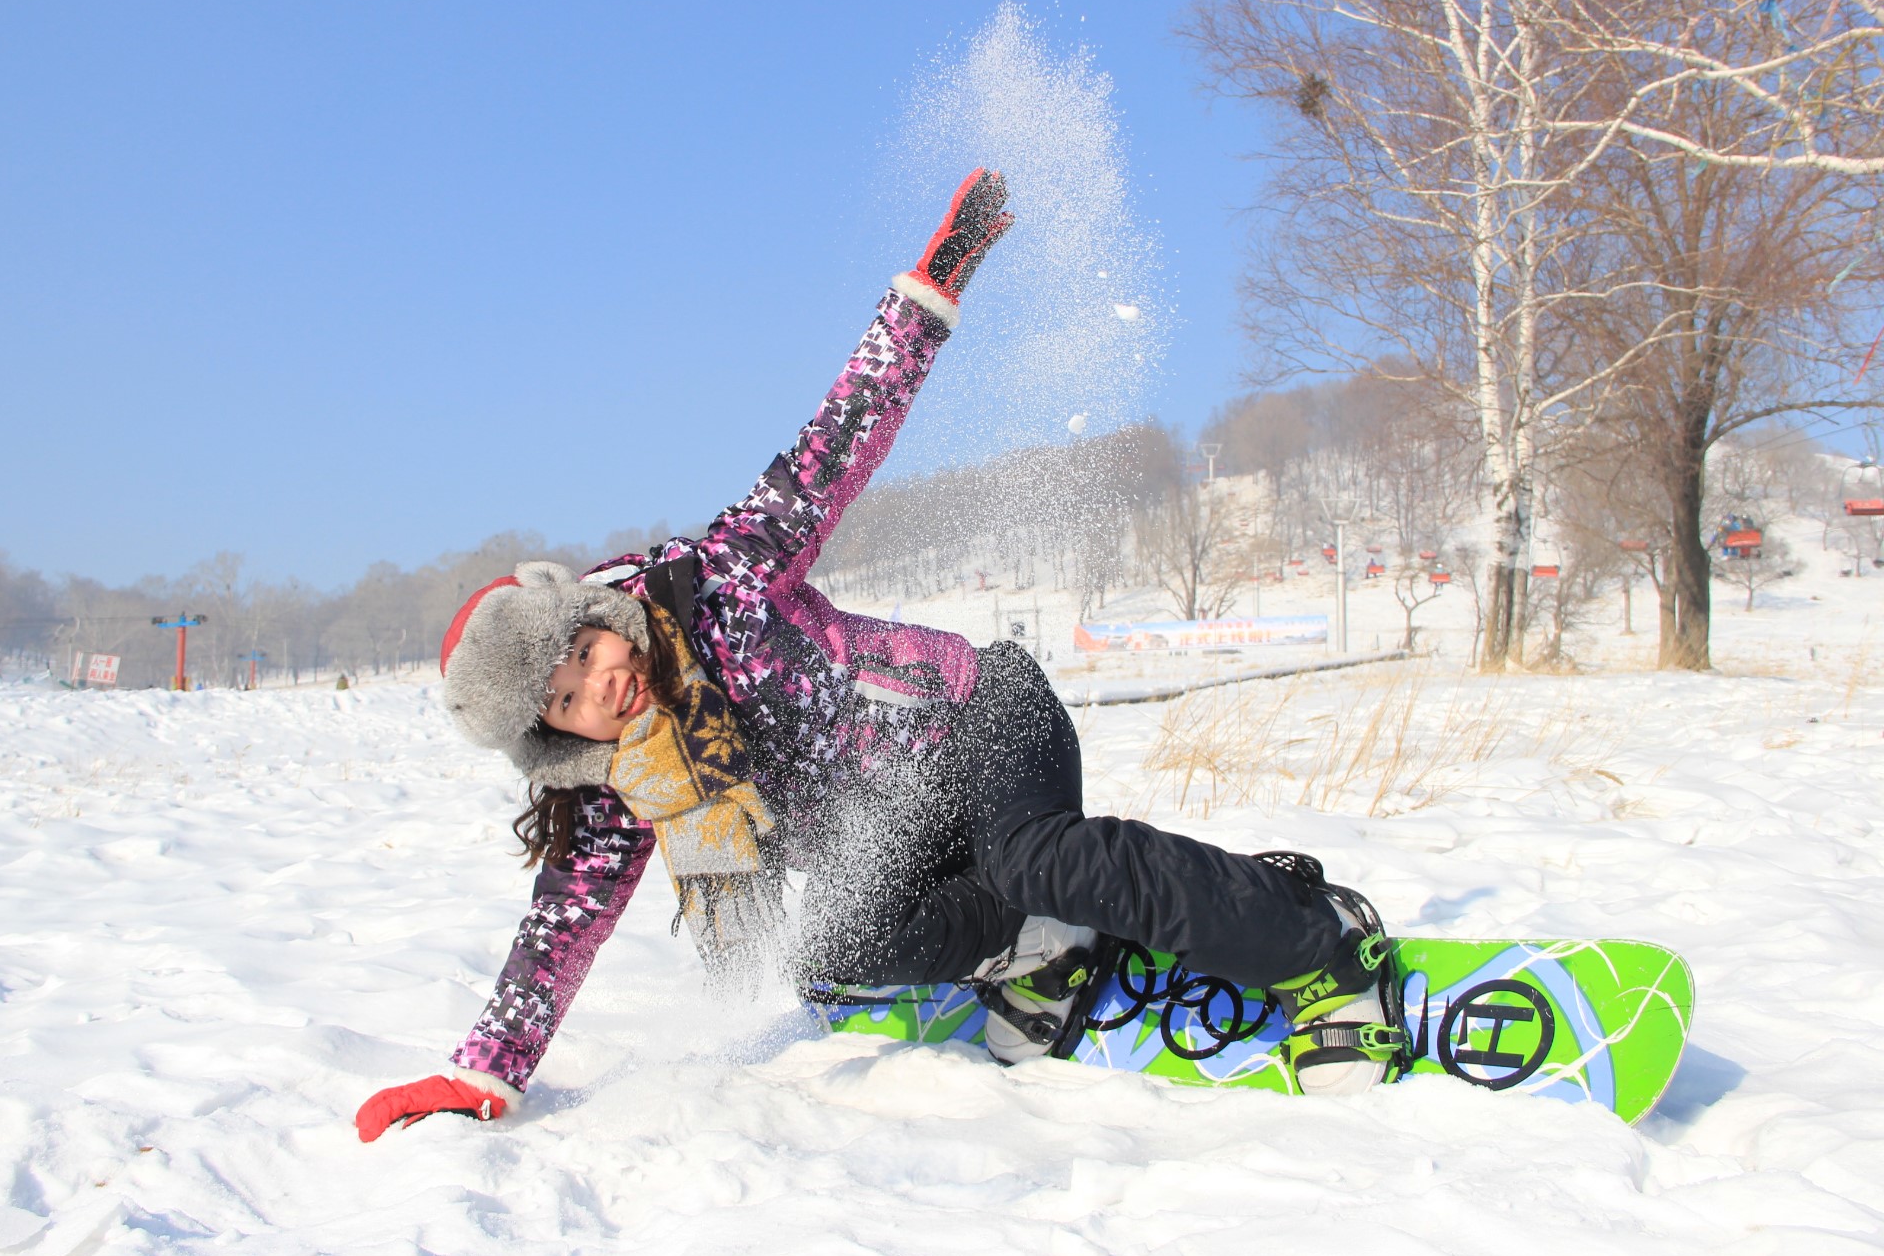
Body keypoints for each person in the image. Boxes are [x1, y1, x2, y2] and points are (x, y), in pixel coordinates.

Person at [355, 172, 1402, 1143]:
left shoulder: (711, 584)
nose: (602, 681)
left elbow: (834, 443)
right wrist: (485, 1072)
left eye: (584, 646)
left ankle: (1319, 947)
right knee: (833, 954)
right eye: (570, 696)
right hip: (895, 831)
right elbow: (557, 937)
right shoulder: (620, 793)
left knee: (1033, 851)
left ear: (594, 612)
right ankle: (1041, 948)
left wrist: (925, 295)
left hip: (979, 720)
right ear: (555, 737)